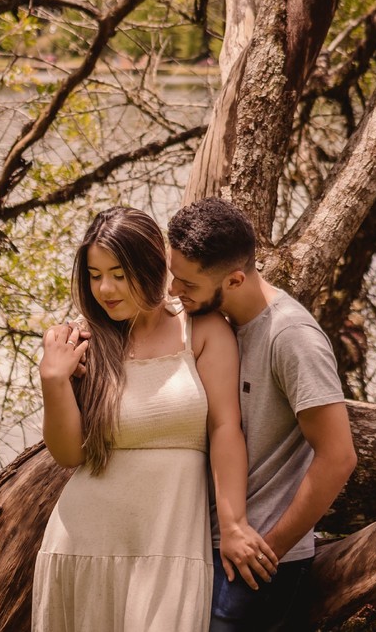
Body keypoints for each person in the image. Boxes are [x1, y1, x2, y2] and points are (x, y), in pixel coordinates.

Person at [33, 206, 274, 632]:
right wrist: (53, 380)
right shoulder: (82, 340)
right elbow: (70, 454)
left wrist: (235, 524)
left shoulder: (200, 330)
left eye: (119, 274)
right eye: (94, 274)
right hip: (82, 544)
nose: (105, 288)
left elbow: (225, 429)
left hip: (170, 546)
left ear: (151, 265)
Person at [167, 197, 357, 632]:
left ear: (234, 279)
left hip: (252, 562)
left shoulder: (291, 338)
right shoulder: (220, 319)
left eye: (187, 284)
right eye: (173, 275)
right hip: (204, 544)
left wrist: (268, 550)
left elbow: (339, 456)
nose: (175, 291)